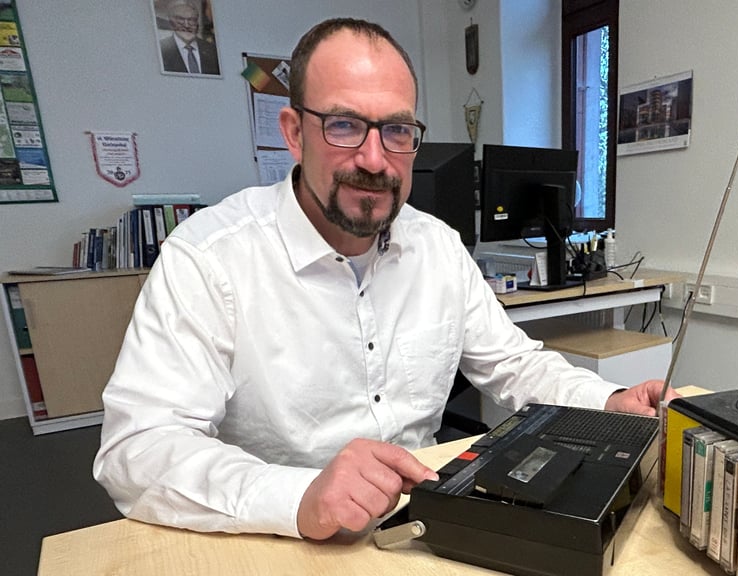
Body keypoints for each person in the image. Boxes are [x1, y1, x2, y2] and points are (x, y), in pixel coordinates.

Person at [95, 17, 677, 541]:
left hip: (417, 527)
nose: (375, 160)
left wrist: (606, 399)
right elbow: (137, 451)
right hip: (274, 537)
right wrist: (297, 496)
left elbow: (514, 365)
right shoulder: (209, 258)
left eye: (396, 131)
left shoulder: (438, 247)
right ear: (294, 133)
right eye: (344, 125)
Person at [158, 1, 220, 75]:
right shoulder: (160, 50)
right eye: (180, 19)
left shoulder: (213, 50)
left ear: (197, 23)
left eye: (191, 20)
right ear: (171, 22)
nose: (187, 25)